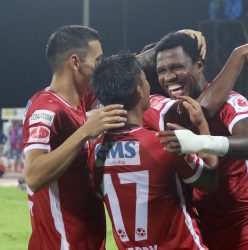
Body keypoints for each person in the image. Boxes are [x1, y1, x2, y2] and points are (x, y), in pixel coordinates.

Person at [144, 32, 248, 250]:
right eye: (162, 70)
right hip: (206, 230)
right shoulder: (164, 108)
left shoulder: (230, 101)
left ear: (199, 65)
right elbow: (121, 75)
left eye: (177, 67)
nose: (169, 77)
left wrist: (202, 143)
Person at [89, 53, 219, 249]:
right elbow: (210, 180)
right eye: (145, 80)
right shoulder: (164, 143)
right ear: (139, 91)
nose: (149, 85)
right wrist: (202, 127)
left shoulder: (95, 151)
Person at [22, 25, 127, 249]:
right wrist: (85, 132)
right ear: (75, 62)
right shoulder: (46, 111)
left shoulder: (79, 101)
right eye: (98, 61)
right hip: (62, 243)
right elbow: (33, 175)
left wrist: (168, 45)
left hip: (85, 240)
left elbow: (126, 72)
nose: (102, 69)